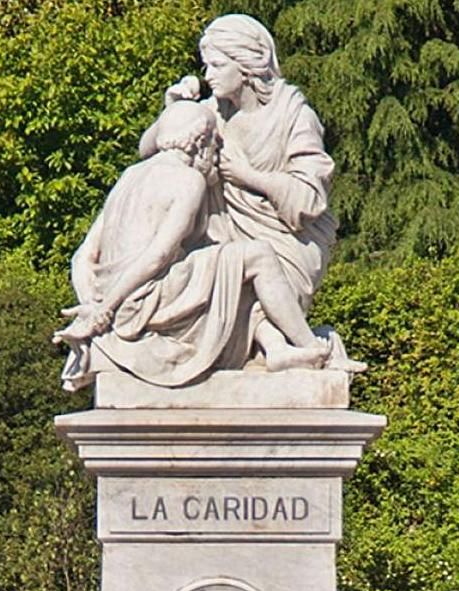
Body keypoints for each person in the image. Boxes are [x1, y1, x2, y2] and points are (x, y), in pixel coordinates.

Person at [140, 14, 365, 372]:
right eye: (206, 65)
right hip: (224, 237)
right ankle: (279, 350)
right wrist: (172, 112)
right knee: (210, 272)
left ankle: (293, 346)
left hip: (289, 240)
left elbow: (309, 197)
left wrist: (249, 176)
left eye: (216, 64)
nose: (208, 74)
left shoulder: (294, 115)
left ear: (246, 67)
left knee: (246, 273)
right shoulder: (213, 112)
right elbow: (151, 151)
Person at [54, 100, 330, 390]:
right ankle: (312, 347)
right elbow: (159, 255)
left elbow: (82, 256)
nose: (215, 155)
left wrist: (92, 302)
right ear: (200, 142)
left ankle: (276, 349)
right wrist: (104, 310)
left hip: (117, 295)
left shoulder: (130, 175)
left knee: (230, 274)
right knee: (257, 256)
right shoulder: (189, 180)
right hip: (145, 298)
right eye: (214, 145)